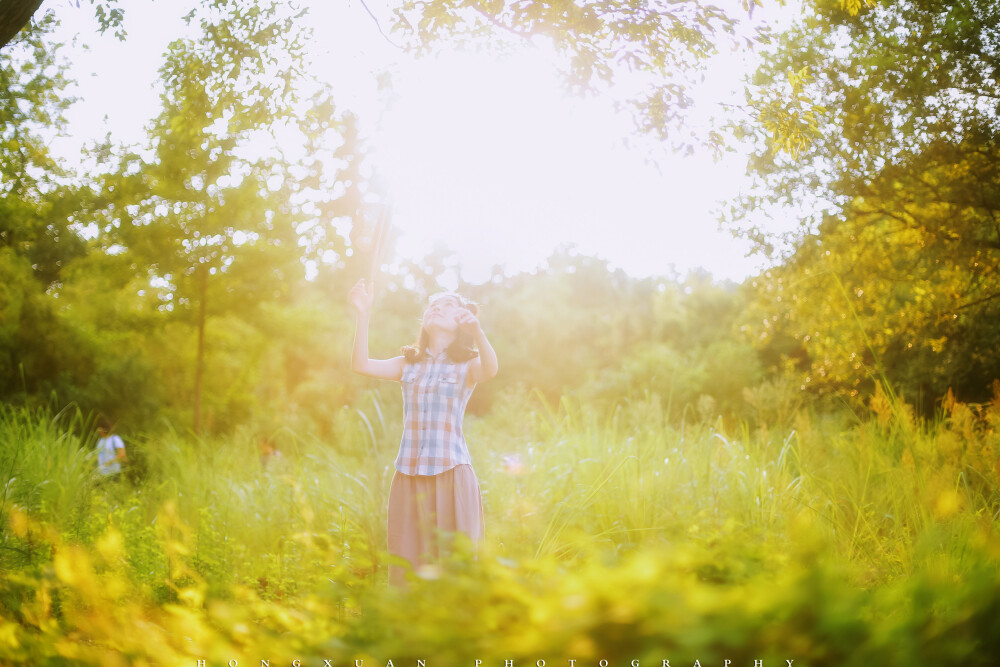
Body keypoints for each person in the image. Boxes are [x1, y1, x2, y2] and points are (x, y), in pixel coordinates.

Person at [349, 278, 499, 587]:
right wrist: (363, 314)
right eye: (432, 305)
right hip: (409, 475)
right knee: (407, 569)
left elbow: (491, 369)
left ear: (460, 322)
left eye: (447, 305)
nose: (436, 308)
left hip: (451, 473)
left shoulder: (466, 365)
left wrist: (479, 333)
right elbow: (360, 364)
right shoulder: (408, 364)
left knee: (456, 569)